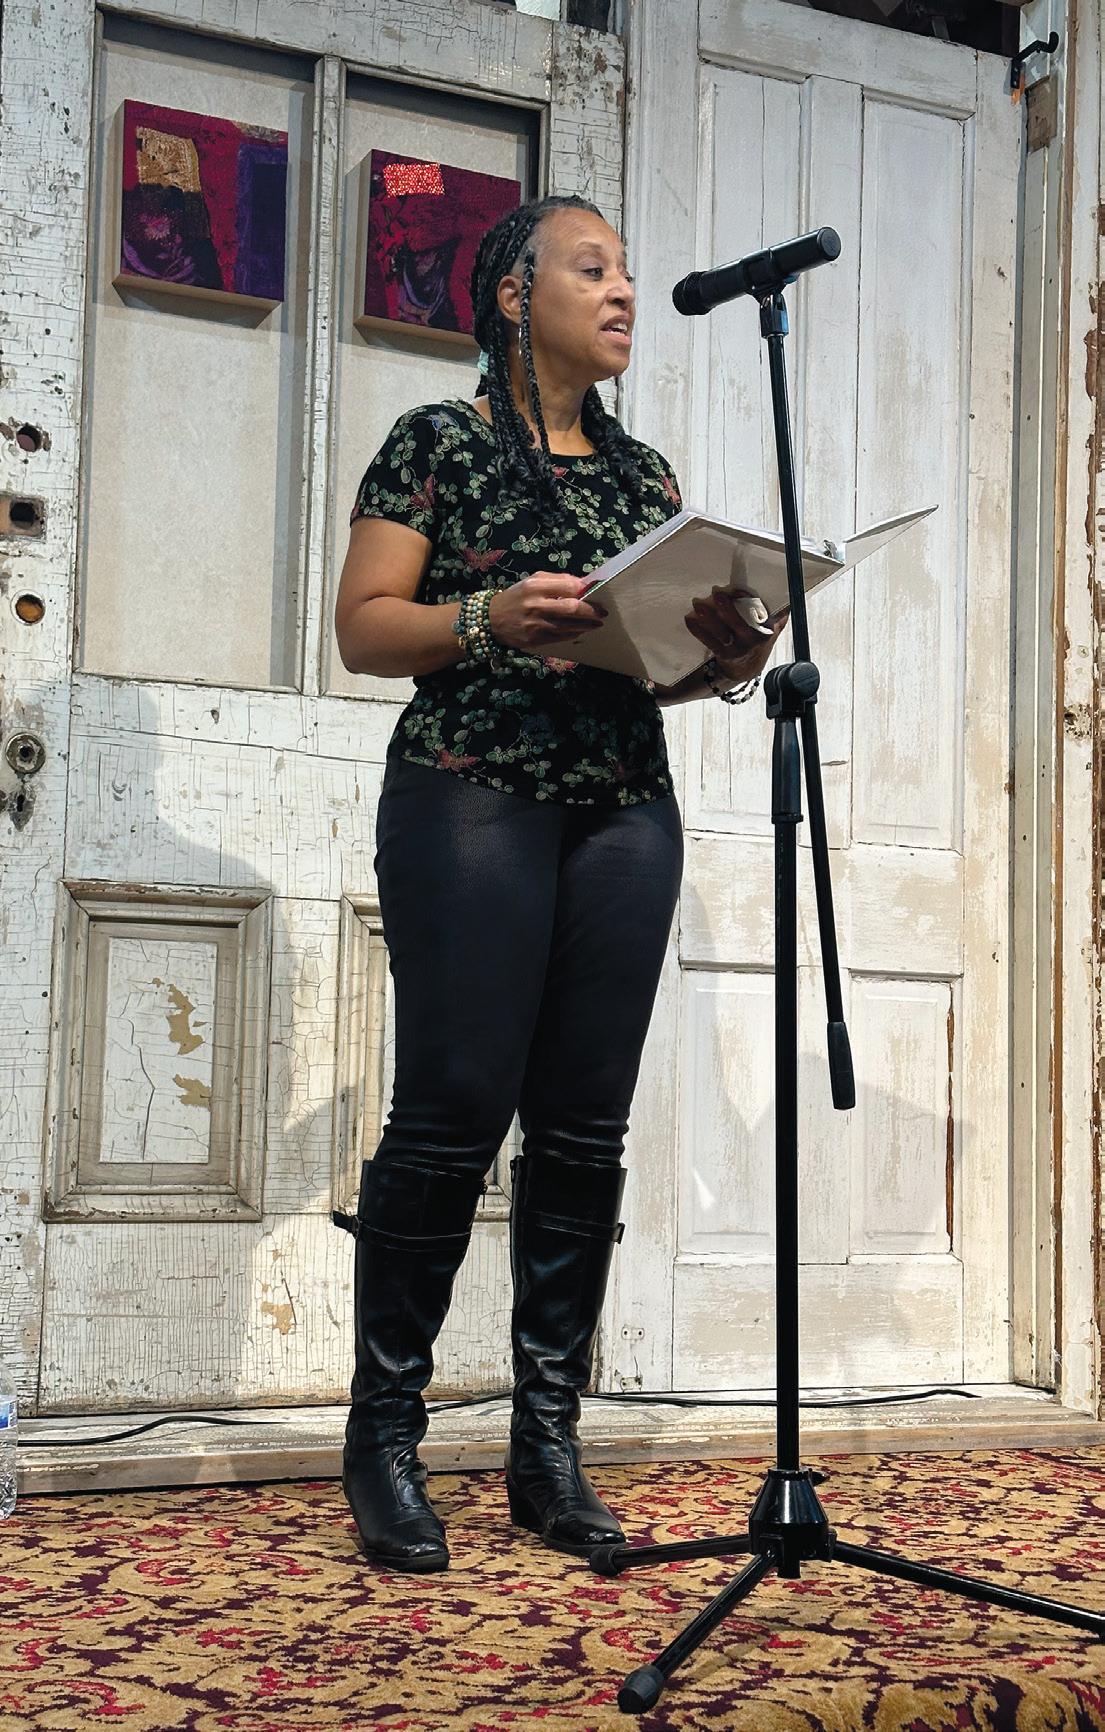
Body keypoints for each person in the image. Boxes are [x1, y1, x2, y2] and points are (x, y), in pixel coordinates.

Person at [332, 193, 787, 1574]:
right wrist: (487, 616)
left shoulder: (643, 477)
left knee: (583, 1127)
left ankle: (546, 1448)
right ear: (514, 294)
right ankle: (386, 1438)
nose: (625, 291)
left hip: (622, 807)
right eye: (593, 268)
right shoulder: (438, 443)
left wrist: (724, 655)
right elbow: (366, 628)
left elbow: (662, 664)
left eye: (630, 271)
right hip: (470, 787)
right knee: (453, 1109)